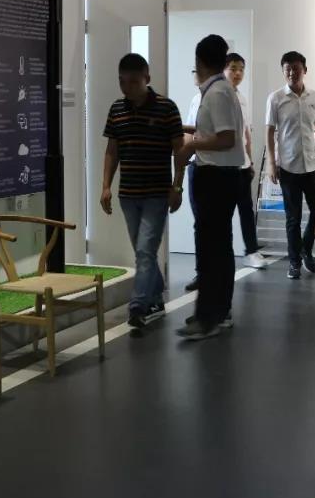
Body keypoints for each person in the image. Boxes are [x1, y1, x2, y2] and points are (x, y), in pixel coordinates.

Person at [100, 54, 185, 329]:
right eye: (122, 82)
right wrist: (105, 186)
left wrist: (177, 187)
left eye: (133, 82)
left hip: (156, 193)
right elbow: (112, 150)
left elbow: (180, 151)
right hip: (128, 193)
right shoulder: (117, 109)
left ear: (147, 79)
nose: (127, 88)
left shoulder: (166, 108)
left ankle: (137, 305)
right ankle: (156, 295)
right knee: (142, 250)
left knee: (145, 250)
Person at [176, 35, 245, 341]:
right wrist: (186, 130)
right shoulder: (220, 90)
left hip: (215, 177)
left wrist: (192, 145)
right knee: (219, 248)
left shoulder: (217, 92)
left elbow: (226, 138)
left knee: (210, 249)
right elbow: (217, 131)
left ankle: (208, 318)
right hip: (222, 176)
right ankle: (217, 311)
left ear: (199, 62)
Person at [266, 52, 315, 280]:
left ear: (304, 70)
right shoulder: (275, 98)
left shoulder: (314, 97)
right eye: (287, 69)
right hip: (288, 166)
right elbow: (270, 131)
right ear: (283, 71)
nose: (292, 72)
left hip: (311, 165)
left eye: (296, 68)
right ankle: (294, 262)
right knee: (293, 218)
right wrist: (271, 163)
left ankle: (306, 249)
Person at [225, 53, 269, 270]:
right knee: (223, 214)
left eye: (241, 69)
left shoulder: (242, 98)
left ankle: (251, 251)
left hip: (242, 165)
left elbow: (246, 134)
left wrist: (250, 162)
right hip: (223, 167)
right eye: (233, 68)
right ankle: (223, 256)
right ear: (223, 69)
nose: (238, 73)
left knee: (246, 210)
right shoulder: (214, 95)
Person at [182, 73, 203, 292]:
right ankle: (202, 272)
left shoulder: (223, 97)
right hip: (196, 165)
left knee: (216, 225)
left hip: (215, 168)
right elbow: (190, 132)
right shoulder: (196, 99)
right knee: (199, 223)